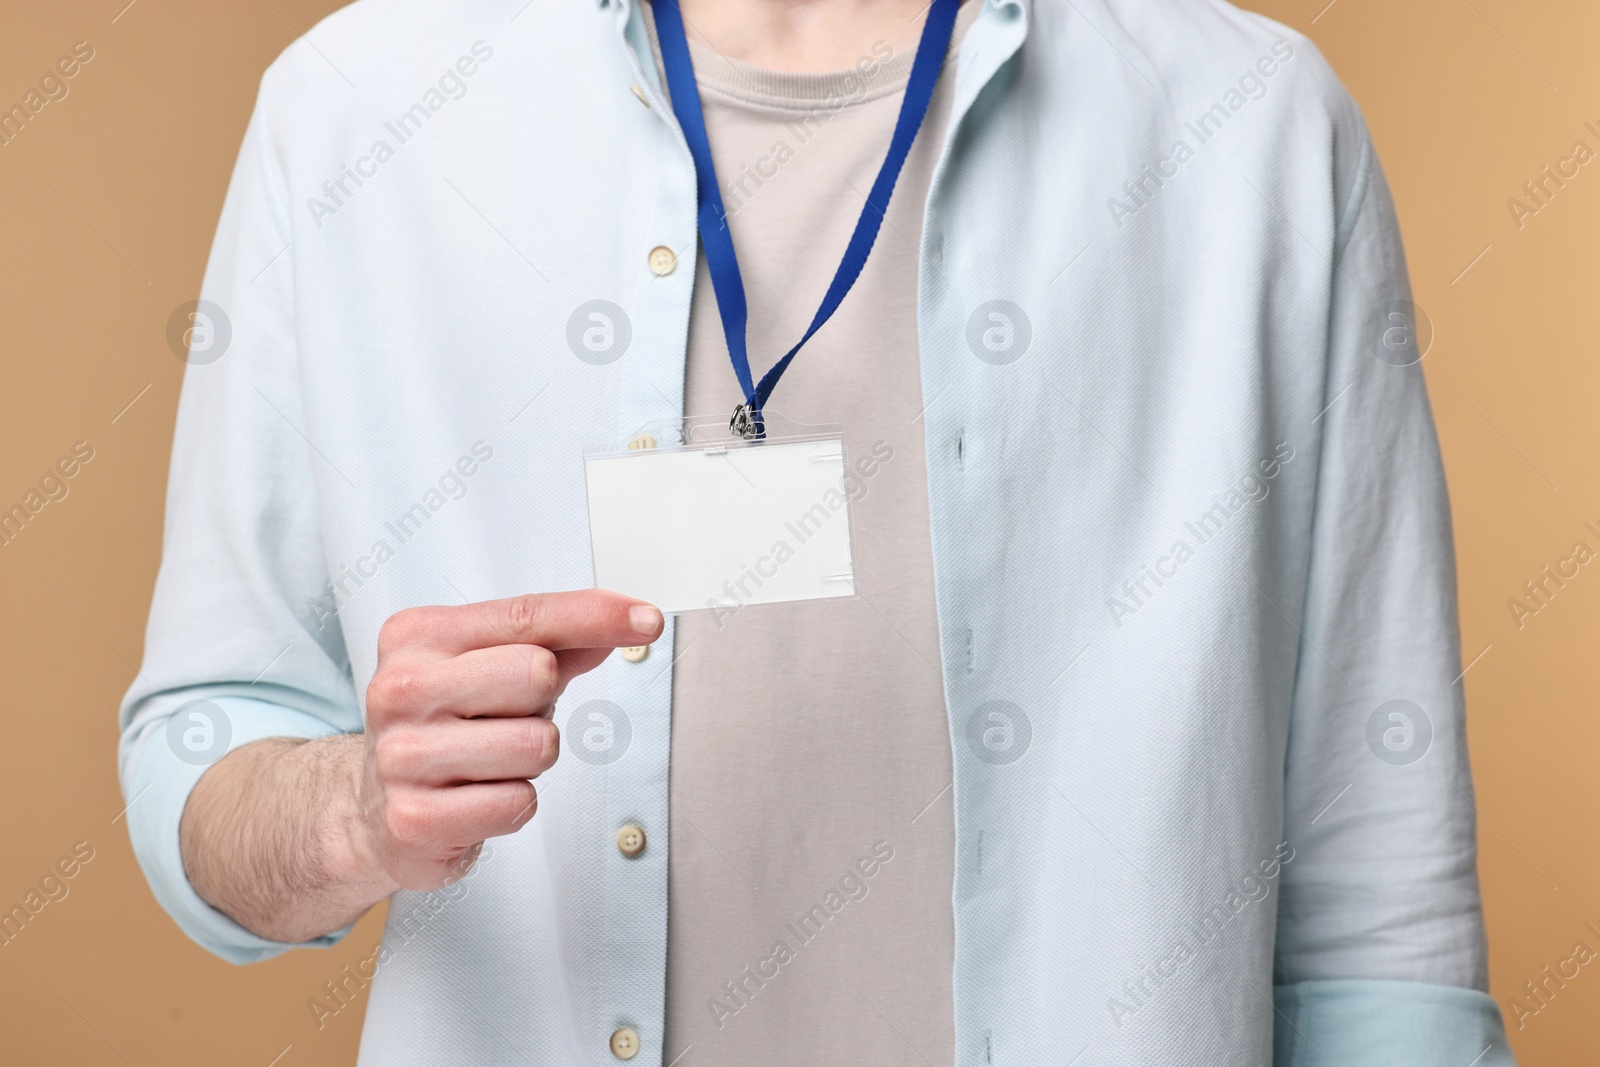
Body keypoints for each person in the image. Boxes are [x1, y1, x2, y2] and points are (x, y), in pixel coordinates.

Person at [119, 0, 1515, 1063]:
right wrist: (355, 806)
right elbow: (205, 746)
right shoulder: (359, 106)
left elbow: (1376, 897)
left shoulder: (1252, 124)